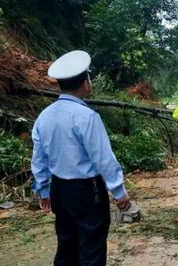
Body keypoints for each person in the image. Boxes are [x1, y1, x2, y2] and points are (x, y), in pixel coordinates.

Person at [31, 50, 131, 266]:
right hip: (87, 192)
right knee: (91, 250)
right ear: (86, 82)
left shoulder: (44, 116)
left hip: (59, 190)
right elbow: (103, 158)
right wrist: (119, 192)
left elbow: (39, 158)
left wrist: (43, 189)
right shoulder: (87, 116)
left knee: (66, 246)